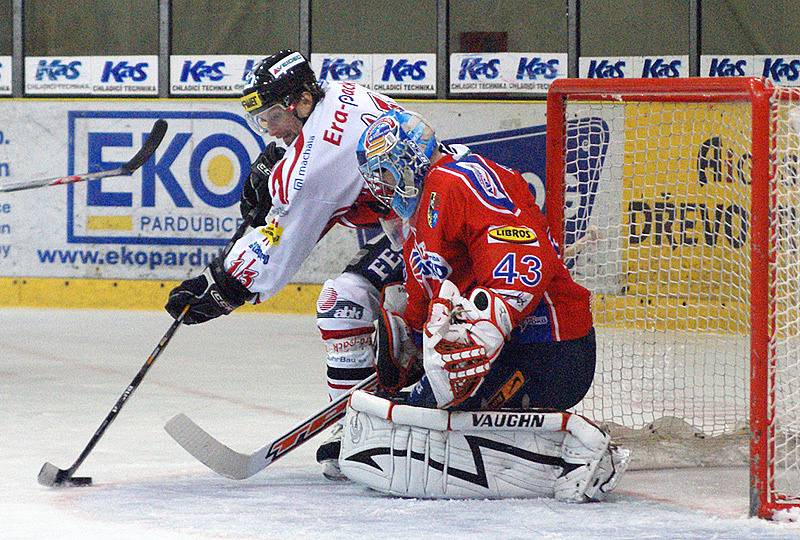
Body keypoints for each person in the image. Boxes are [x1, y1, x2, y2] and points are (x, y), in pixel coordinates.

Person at [336, 109, 629, 501]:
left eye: (385, 175)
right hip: (509, 350)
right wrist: (411, 349)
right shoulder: (419, 217)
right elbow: (425, 305)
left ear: (408, 161)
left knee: (438, 422)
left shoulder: (460, 179)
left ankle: (585, 452)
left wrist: (480, 332)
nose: (383, 189)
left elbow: (524, 263)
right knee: (420, 413)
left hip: (549, 348)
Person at [164, 50, 405, 480]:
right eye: (262, 118)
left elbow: (278, 251)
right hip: (422, 229)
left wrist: (219, 287)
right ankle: (359, 424)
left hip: (442, 243)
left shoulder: (313, 168)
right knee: (352, 295)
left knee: (343, 304)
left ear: (301, 102)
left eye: (273, 115)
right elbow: (311, 153)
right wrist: (277, 171)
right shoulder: (342, 92)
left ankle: (369, 425)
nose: (269, 129)